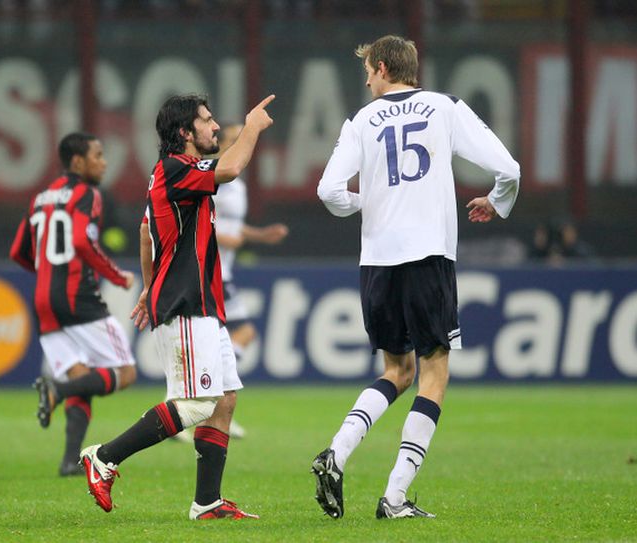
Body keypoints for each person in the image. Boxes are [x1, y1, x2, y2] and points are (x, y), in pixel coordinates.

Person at [313, 35, 520, 520]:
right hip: (428, 255)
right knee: (434, 371)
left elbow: (328, 190)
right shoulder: (444, 107)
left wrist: (366, 204)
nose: (366, 80)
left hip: (377, 261)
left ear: (384, 67)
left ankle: (336, 454)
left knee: (397, 371)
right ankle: (396, 497)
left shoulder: (361, 120)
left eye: (368, 71)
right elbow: (507, 167)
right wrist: (498, 200)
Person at [79, 93, 275, 519]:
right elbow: (232, 166)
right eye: (206, 122)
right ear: (185, 133)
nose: (215, 128)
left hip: (197, 300)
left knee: (223, 400)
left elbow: (145, 230)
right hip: (186, 302)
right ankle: (104, 457)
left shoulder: (170, 174)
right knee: (199, 403)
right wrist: (253, 126)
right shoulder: (176, 168)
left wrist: (150, 288)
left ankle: (207, 501)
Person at [9, 132, 137, 477]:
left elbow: (18, 251)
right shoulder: (88, 194)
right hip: (78, 298)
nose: (104, 161)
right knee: (125, 373)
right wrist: (116, 274)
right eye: (98, 154)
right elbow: (81, 238)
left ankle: (69, 460)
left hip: (44, 302)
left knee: (84, 376)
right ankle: (58, 389)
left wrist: (48, 270)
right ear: (78, 162)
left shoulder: (40, 198)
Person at [212, 123, 289, 437]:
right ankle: (213, 398)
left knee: (229, 337)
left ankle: (204, 402)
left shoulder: (237, 185)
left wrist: (260, 235)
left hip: (223, 272)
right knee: (243, 332)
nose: (241, 142)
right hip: (211, 271)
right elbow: (196, 217)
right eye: (234, 138)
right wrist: (219, 237)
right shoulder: (212, 177)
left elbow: (232, 225)